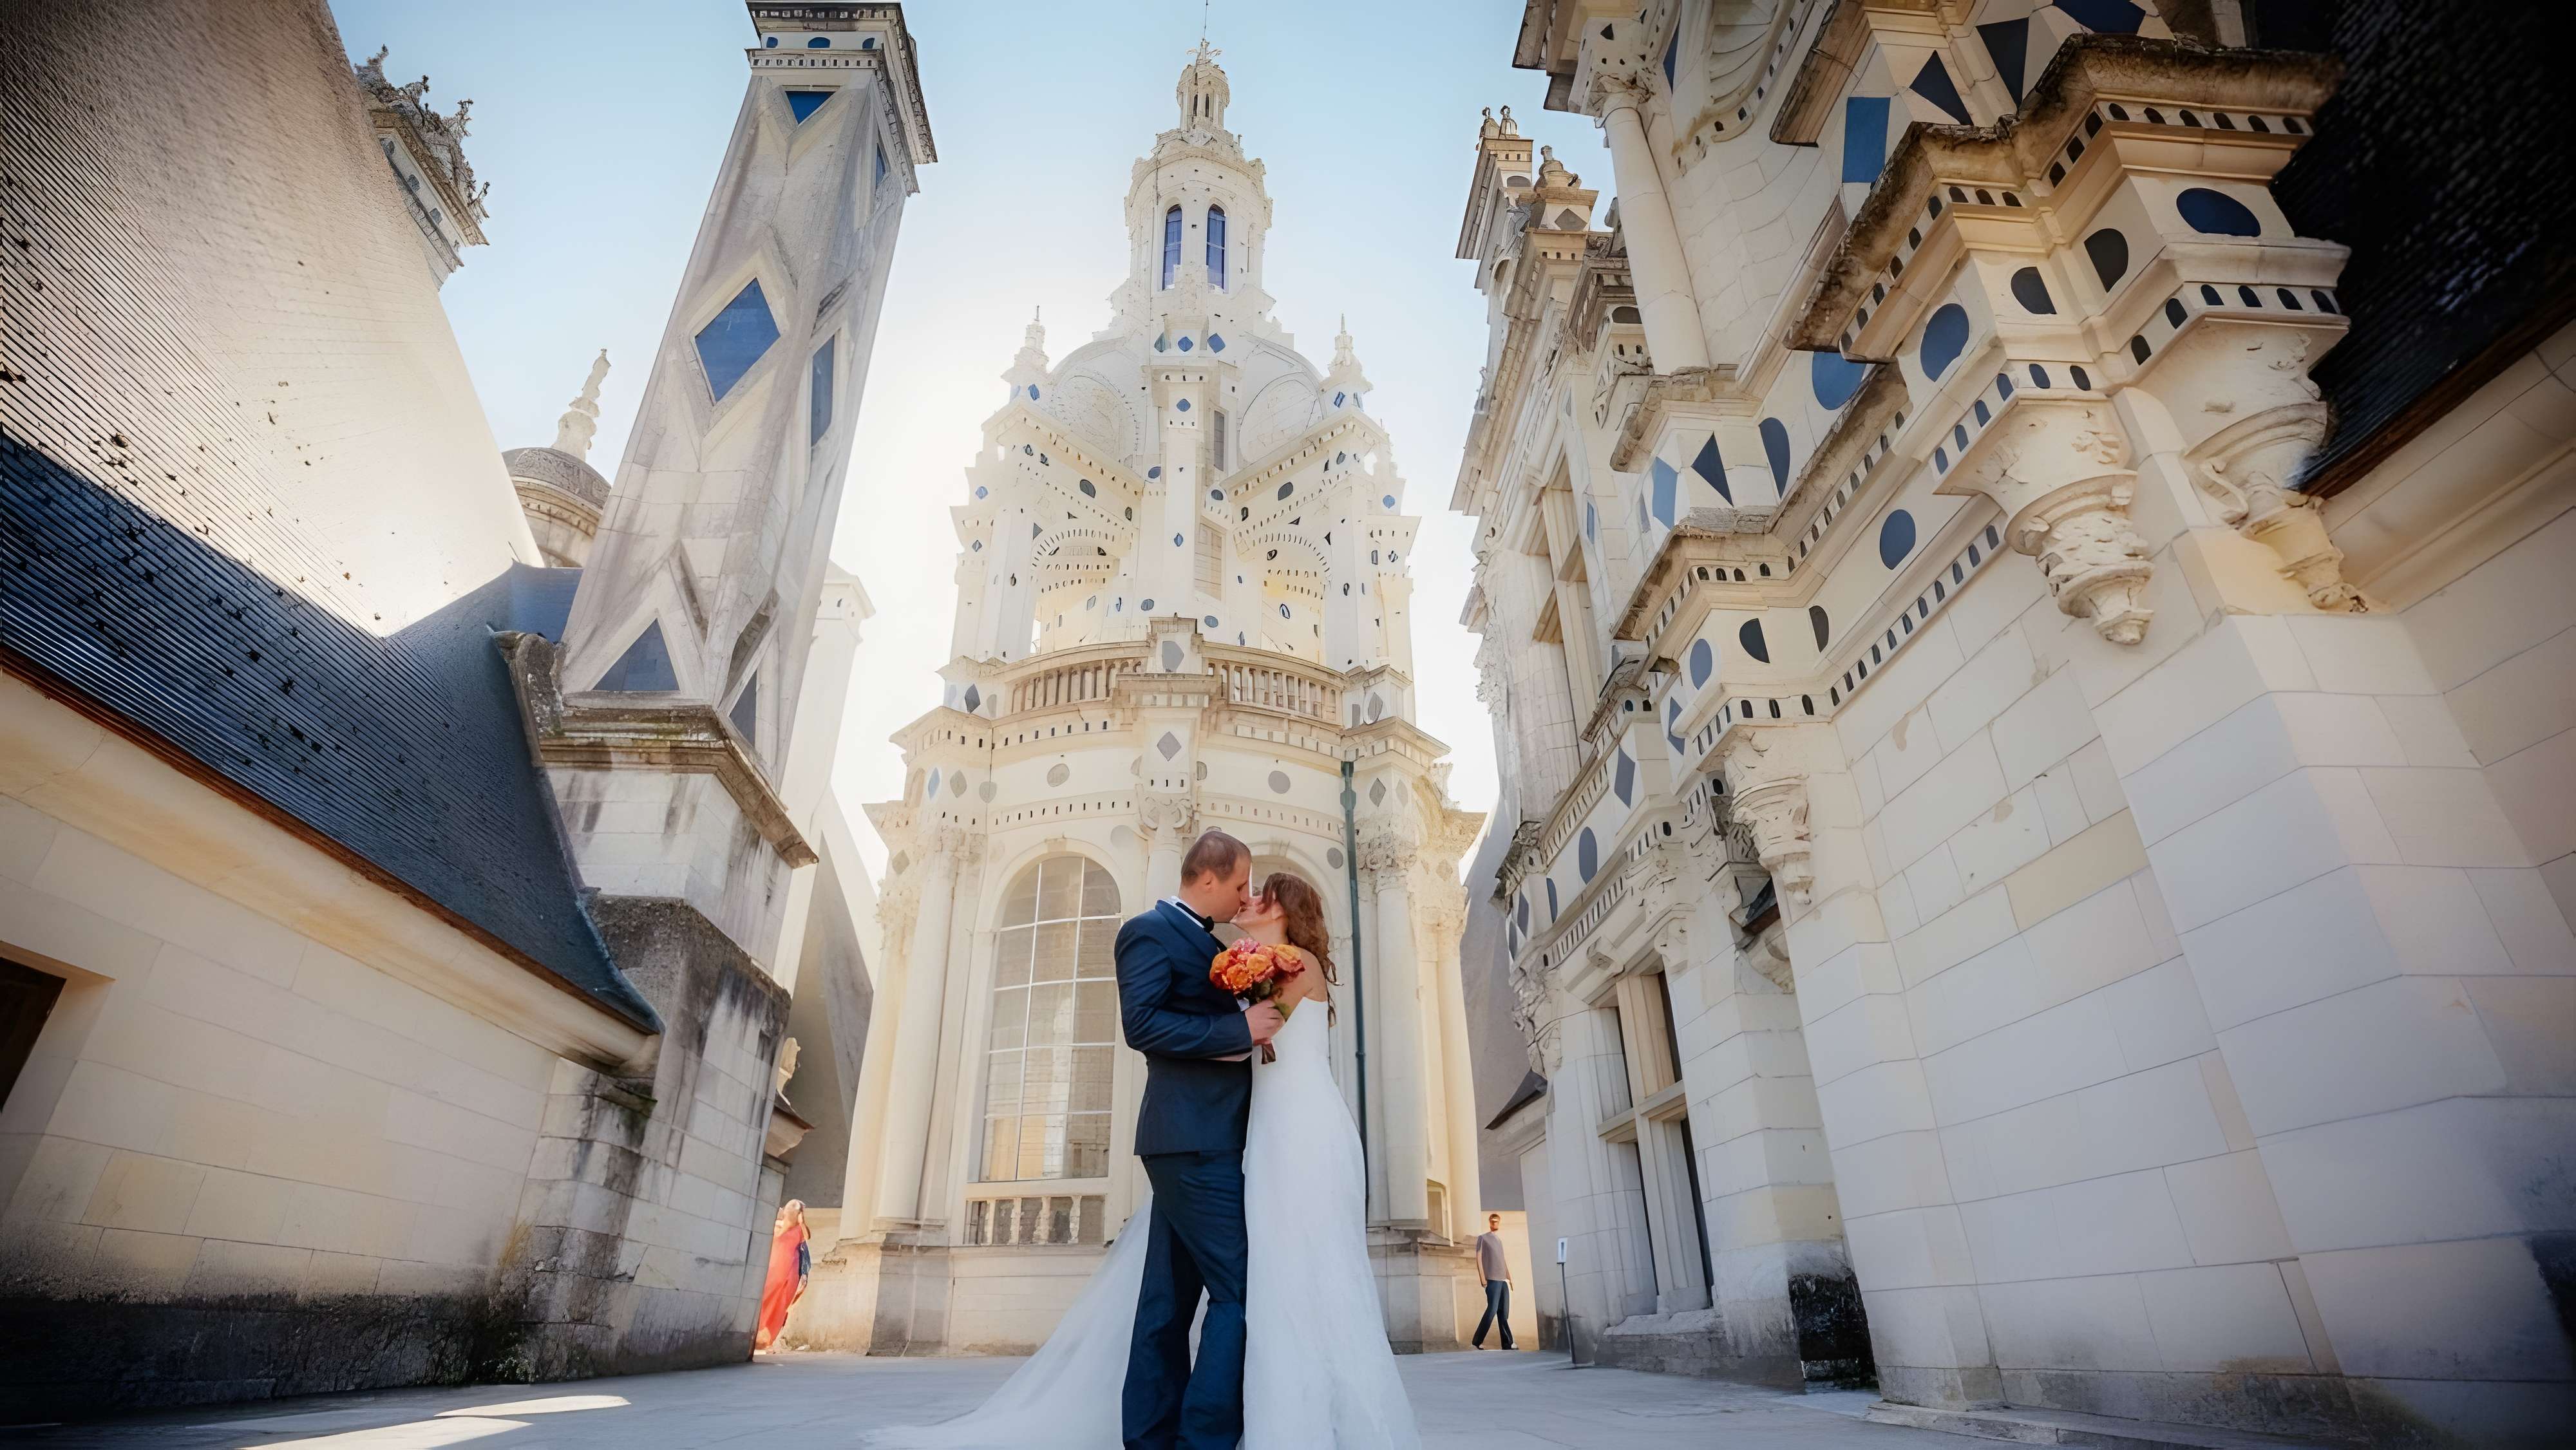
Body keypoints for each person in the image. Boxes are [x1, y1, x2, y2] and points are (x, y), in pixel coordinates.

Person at [866, 837, 1419, 1450]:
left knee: (1168, 1299)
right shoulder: (1150, 933)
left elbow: (1264, 1034)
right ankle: (1201, 1439)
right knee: (1240, 1292)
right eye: (1242, 885)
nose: (1246, 897)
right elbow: (1145, 1024)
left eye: (1257, 892)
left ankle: (1154, 1437)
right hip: (1194, 1140)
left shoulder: (1237, 953)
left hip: (1234, 1139)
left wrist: (1244, 1021)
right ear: (1208, 879)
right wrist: (1237, 1028)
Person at [753, 1198, 811, 1353]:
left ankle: (766, 1340)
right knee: (768, 1302)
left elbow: (807, 1236)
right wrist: (788, 1222)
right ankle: (758, 1336)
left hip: (789, 1273)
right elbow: (778, 1235)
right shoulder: (778, 1226)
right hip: (776, 1271)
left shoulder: (798, 1229)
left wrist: (802, 1222)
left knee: (780, 1306)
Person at [1471, 1212, 1515, 1350]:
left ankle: (1507, 1343)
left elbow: (1503, 1259)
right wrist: (1482, 1278)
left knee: (1504, 1313)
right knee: (1492, 1310)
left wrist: (1509, 1277)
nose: (1495, 1223)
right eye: (1493, 1221)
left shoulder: (1499, 1241)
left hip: (1503, 1280)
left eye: (1497, 1221)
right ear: (1490, 1222)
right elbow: (1478, 1257)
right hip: (1492, 1280)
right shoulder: (1483, 1238)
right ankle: (1477, 1341)